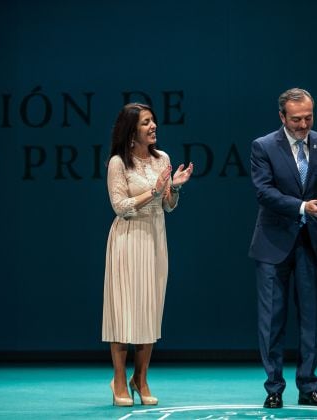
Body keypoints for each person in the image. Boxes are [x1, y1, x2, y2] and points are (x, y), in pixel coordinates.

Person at [101, 103, 193, 407]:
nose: (153, 126)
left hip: (155, 237)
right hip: (128, 239)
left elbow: (167, 206)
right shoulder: (118, 163)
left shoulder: (162, 159)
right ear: (131, 131)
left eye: (153, 121)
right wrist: (153, 191)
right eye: (145, 123)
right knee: (124, 309)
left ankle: (140, 378)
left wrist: (174, 189)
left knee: (149, 309)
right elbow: (120, 207)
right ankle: (118, 380)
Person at [249, 88, 317, 409]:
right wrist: (302, 207)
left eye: (308, 117)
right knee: (271, 320)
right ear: (282, 117)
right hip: (273, 245)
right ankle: (274, 387)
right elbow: (264, 192)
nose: (303, 124)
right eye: (296, 119)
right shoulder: (264, 146)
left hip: (312, 242)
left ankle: (308, 386)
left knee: (311, 319)